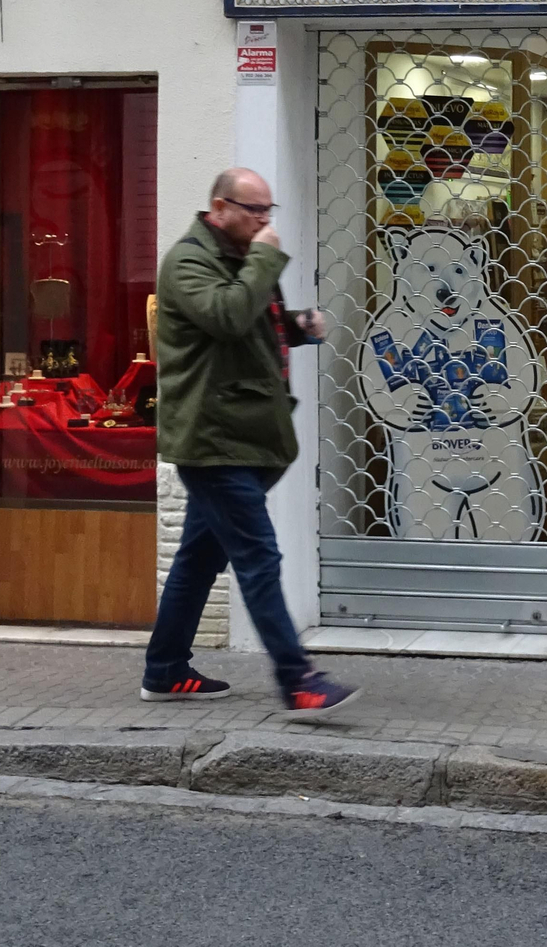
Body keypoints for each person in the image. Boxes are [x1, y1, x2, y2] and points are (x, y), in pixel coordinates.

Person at [141, 168, 358, 719]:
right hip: (213, 440)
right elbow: (228, 316)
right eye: (253, 209)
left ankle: (164, 670)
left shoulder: (237, 257)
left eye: (268, 210)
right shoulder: (188, 262)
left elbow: (252, 322)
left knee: (197, 559)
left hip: (242, 434)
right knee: (259, 557)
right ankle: (298, 681)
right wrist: (265, 257)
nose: (264, 220)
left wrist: (297, 325)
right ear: (219, 208)